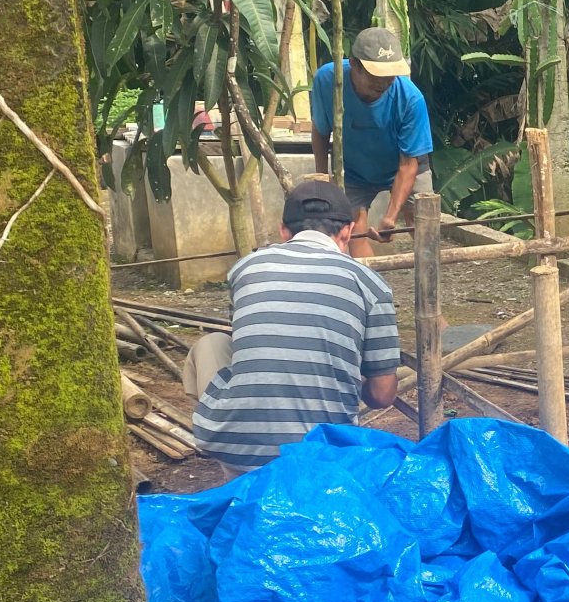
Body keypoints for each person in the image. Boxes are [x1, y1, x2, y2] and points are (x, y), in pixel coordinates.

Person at [186, 179, 400, 469]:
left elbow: (246, 348)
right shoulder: (371, 284)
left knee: (212, 344)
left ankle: (241, 476)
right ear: (348, 231)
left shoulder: (246, 268)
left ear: (283, 230)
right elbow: (383, 394)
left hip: (239, 451)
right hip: (323, 458)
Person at [310, 26, 433, 259]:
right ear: (355, 64)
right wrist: (322, 178)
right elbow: (320, 130)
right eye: (376, 75)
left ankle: (430, 279)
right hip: (355, 169)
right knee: (354, 231)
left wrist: (390, 216)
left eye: (390, 75)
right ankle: (369, 287)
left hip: (404, 163)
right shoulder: (328, 81)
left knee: (421, 220)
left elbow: (408, 165)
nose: (384, 83)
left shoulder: (411, 98)